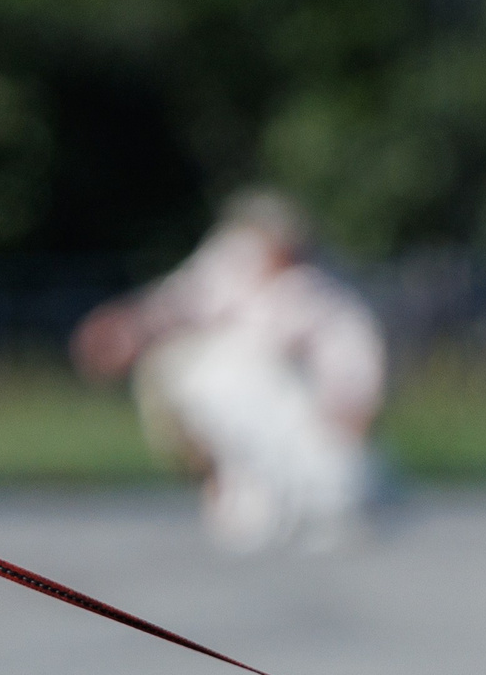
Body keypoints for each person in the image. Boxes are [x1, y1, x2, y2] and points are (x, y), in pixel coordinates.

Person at [72, 192, 385, 553]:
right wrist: (126, 328)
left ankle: (318, 501)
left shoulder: (319, 293)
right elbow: (176, 304)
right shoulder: (230, 267)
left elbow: (351, 368)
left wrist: (349, 413)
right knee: (180, 368)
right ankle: (232, 484)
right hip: (236, 408)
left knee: (341, 483)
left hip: (302, 421)